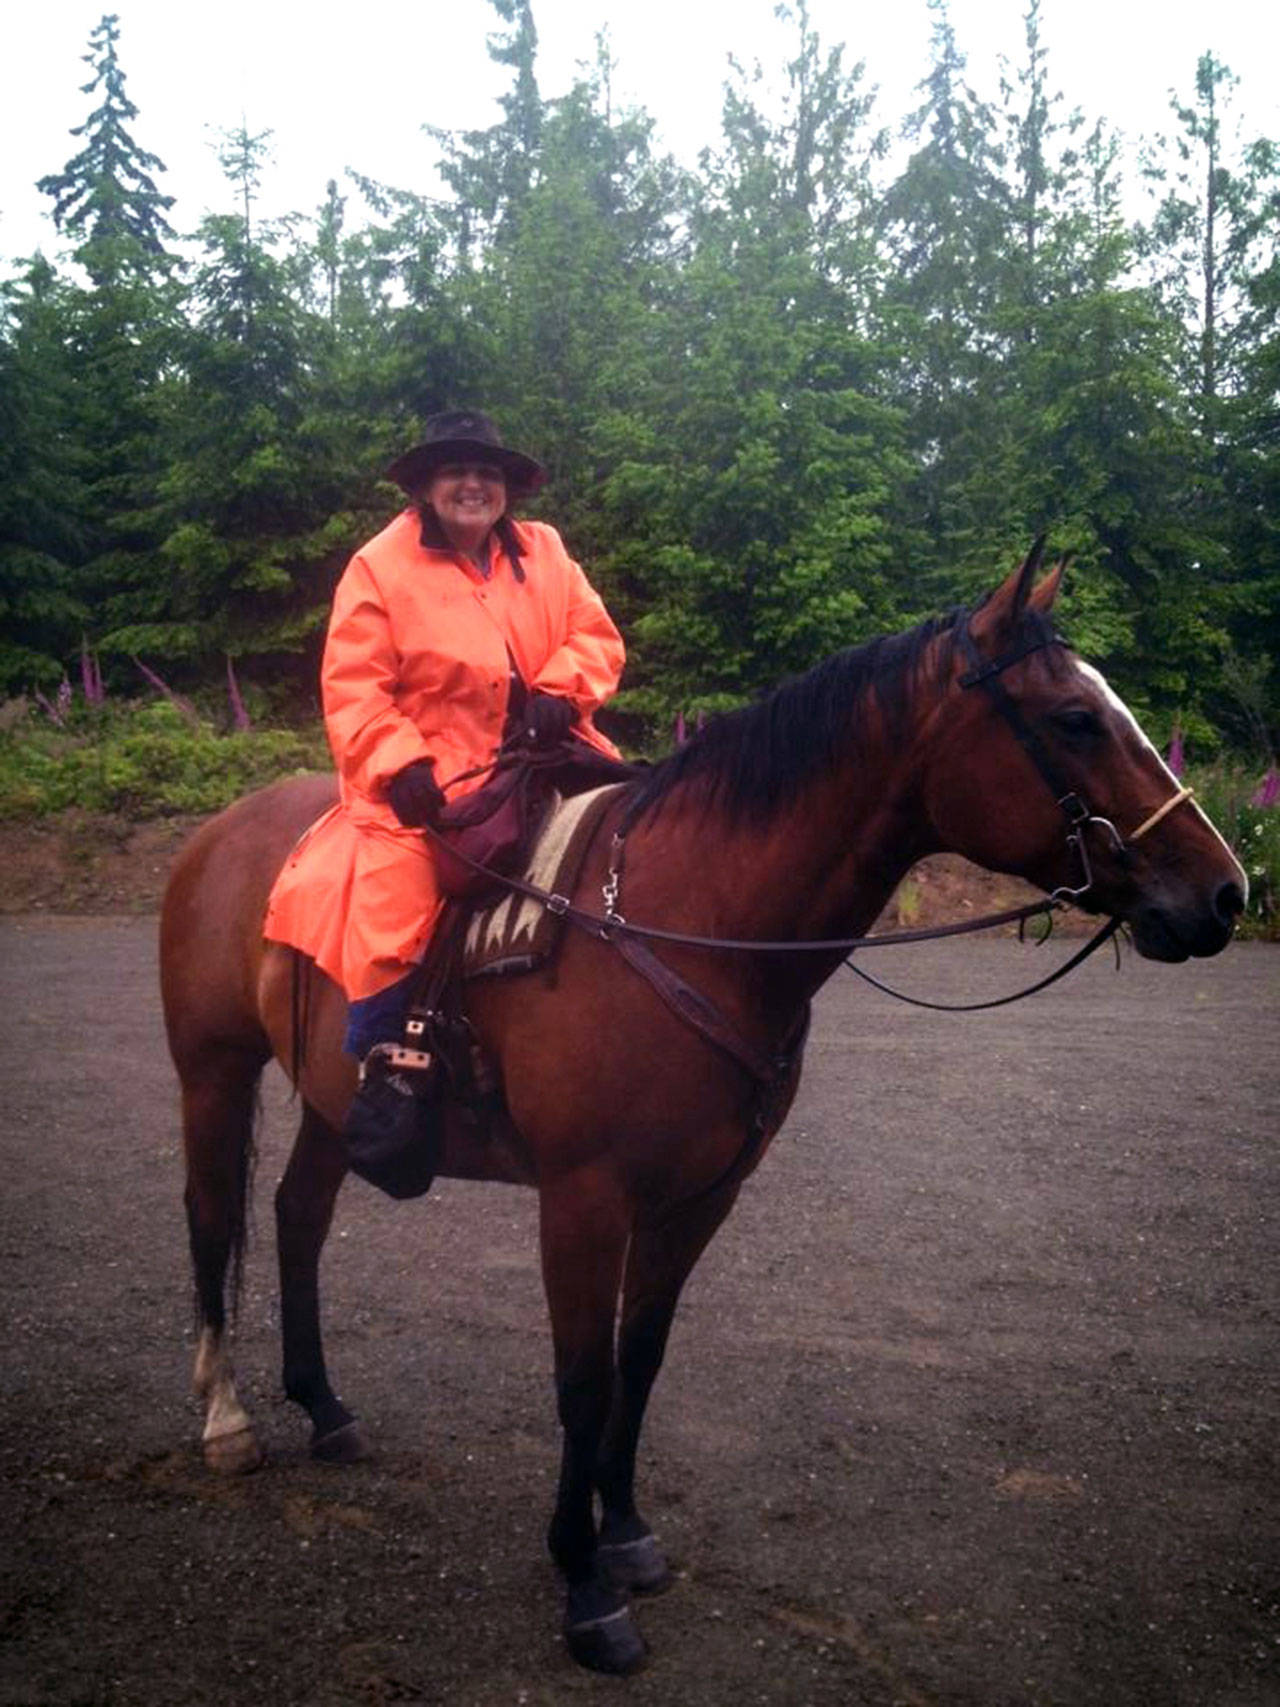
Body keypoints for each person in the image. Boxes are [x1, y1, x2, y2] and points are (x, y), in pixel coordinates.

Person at [264, 410, 625, 1179]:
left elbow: (596, 637)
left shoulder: (547, 552)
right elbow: (354, 683)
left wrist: (564, 689)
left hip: (544, 753)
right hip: (431, 776)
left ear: (506, 488)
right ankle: (392, 1069)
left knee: (630, 838)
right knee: (401, 888)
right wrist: (399, 764)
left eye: (487, 472)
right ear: (427, 485)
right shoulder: (378, 566)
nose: (474, 484)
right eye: (457, 470)